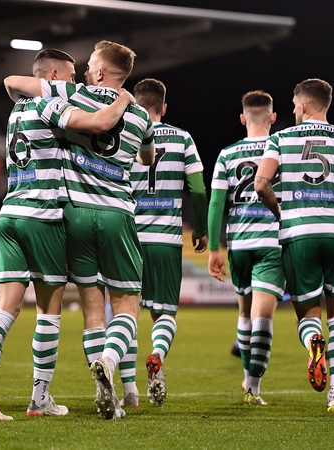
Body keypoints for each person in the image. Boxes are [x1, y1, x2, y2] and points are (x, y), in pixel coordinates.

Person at [0, 49, 136, 420]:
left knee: (4, 308)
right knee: (48, 312)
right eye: (70, 77)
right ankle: (40, 397)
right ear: (54, 76)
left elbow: (11, 83)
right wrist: (123, 97)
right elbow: (97, 124)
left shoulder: (16, 111)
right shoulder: (49, 104)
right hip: (43, 214)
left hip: (10, 213)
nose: (74, 84)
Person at [4, 40, 156, 420]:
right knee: (126, 304)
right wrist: (127, 109)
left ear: (102, 71)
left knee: (92, 307)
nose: (86, 71)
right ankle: (109, 361)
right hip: (117, 213)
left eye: (90, 64)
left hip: (72, 213)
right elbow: (149, 156)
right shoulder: (141, 116)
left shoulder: (74, 92)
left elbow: (17, 82)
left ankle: (100, 386)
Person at [253, 78, 334, 413]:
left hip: (298, 233)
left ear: (305, 104)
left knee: (308, 314)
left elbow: (261, 184)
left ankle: (314, 343)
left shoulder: (281, 138)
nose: (294, 108)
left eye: (295, 103)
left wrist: (281, 213)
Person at [129, 78, 207, 407]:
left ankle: (128, 388)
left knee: (124, 312)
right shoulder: (183, 139)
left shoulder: (123, 135)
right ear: (164, 107)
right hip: (166, 239)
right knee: (165, 314)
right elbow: (200, 190)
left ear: (135, 104)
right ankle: (157, 356)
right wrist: (202, 229)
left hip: (128, 237)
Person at [208, 90, 281, 406]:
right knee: (263, 315)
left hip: (239, 242)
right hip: (272, 241)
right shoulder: (281, 149)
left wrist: (214, 248)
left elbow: (216, 204)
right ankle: (253, 386)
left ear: (243, 118)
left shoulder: (227, 153)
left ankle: (246, 372)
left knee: (244, 311)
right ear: (273, 118)